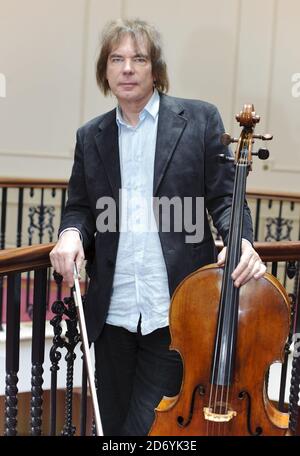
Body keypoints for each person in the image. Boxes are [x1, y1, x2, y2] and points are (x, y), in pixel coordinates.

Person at [49, 18, 266, 436]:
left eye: (138, 59)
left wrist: (239, 240)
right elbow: (79, 207)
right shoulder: (90, 135)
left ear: (155, 69)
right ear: (105, 71)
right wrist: (71, 234)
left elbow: (225, 199)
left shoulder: (199, 120)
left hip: (175, 313)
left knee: (148, 430)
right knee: (113, 425)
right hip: (112, 313)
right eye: (117, 59)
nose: (127, 68)